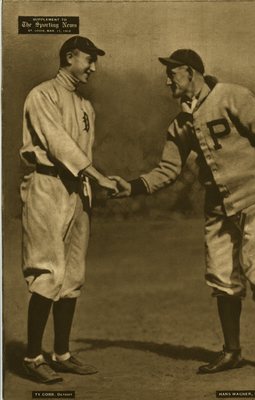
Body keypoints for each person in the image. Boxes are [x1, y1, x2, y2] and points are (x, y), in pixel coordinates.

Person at [110, 49, 255, 375]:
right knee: (221, 277)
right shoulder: (180, 124)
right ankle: (231, 351)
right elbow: (167, 170)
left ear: (191, 72)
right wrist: (132, 187)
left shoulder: (233, 96)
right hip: (218, 208)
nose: (168, 81)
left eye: (173, 74)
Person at [20, 36, 118, 383]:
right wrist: (97, 175)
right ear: (69, 57)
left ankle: (60, 353)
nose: (93, 67)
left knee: (73, 275)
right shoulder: (42, 94)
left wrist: (97, 182)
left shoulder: (85, 105)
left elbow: (82, 154)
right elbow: (59, 145)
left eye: (95, 61)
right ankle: (32, 357)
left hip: (77, 191)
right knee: (48, 271)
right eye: (88, 60)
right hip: (47, 187)